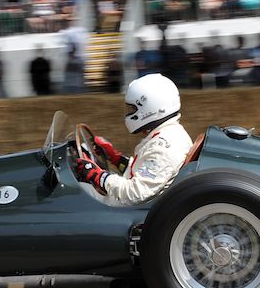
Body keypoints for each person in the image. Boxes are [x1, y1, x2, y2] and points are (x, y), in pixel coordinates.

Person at [74, 73, 192, 206]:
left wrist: (98, 176)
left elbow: (136, 193)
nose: (130, 114)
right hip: (132, 205)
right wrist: (116, 158)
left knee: (74, 191)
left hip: (126, 210)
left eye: (133, 109)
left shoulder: (164, 148)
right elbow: (144, 172)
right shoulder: (171, 134)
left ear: (150, 108)